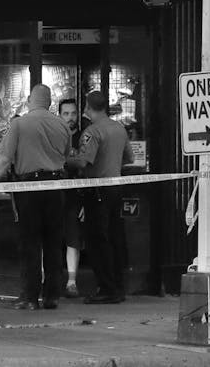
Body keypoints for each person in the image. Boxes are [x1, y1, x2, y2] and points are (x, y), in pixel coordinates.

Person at [0, 83, 71, 311]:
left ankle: (30, 296)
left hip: (29, 189)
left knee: (30, 242)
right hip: (55, 187)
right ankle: (52, 295)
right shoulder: (62, 125)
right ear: (50, 102)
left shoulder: (19, 124)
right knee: (54, 242)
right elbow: (66, 156)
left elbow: (4, 159)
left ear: (28, 100)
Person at [65, 90, 133, 304]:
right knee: (114, 238)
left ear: (87, 108)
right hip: (116, 188)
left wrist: (65, 159)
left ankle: (106, 288)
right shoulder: (119, 129)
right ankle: (118, 286)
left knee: (97, 240)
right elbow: (129, 158)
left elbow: (84, 162)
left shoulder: (92, 132)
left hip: (97, 191)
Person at [58, 97, 84, 297]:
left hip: (75, 196)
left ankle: (72, 282)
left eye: (73, 113)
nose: (70, 117)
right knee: (49, 239)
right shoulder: (54, 136)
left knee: (73, 239)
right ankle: (47, 280)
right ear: (59, 115)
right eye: (66, 113)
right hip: (55, 194)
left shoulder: (84, 137)